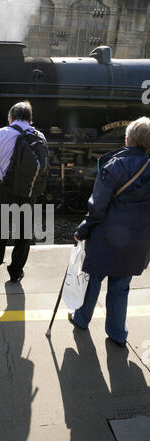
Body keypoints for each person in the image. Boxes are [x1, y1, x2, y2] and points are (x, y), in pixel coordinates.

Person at [70, 116, 150, 347]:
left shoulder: (114, 166)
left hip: (107, 238)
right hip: (137, 242)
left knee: (92, 280)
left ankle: (82, 319)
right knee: (121, 288)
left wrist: (82, 230)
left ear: (128, 139)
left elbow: (97, 207)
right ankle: (117, 333)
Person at [0, 101, 45, 283]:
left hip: (6, 190)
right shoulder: (40, 136)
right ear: (30, 119)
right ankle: (16, 272)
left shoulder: (1, 134)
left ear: (10, 117)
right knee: (24, 233)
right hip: (29, 191)